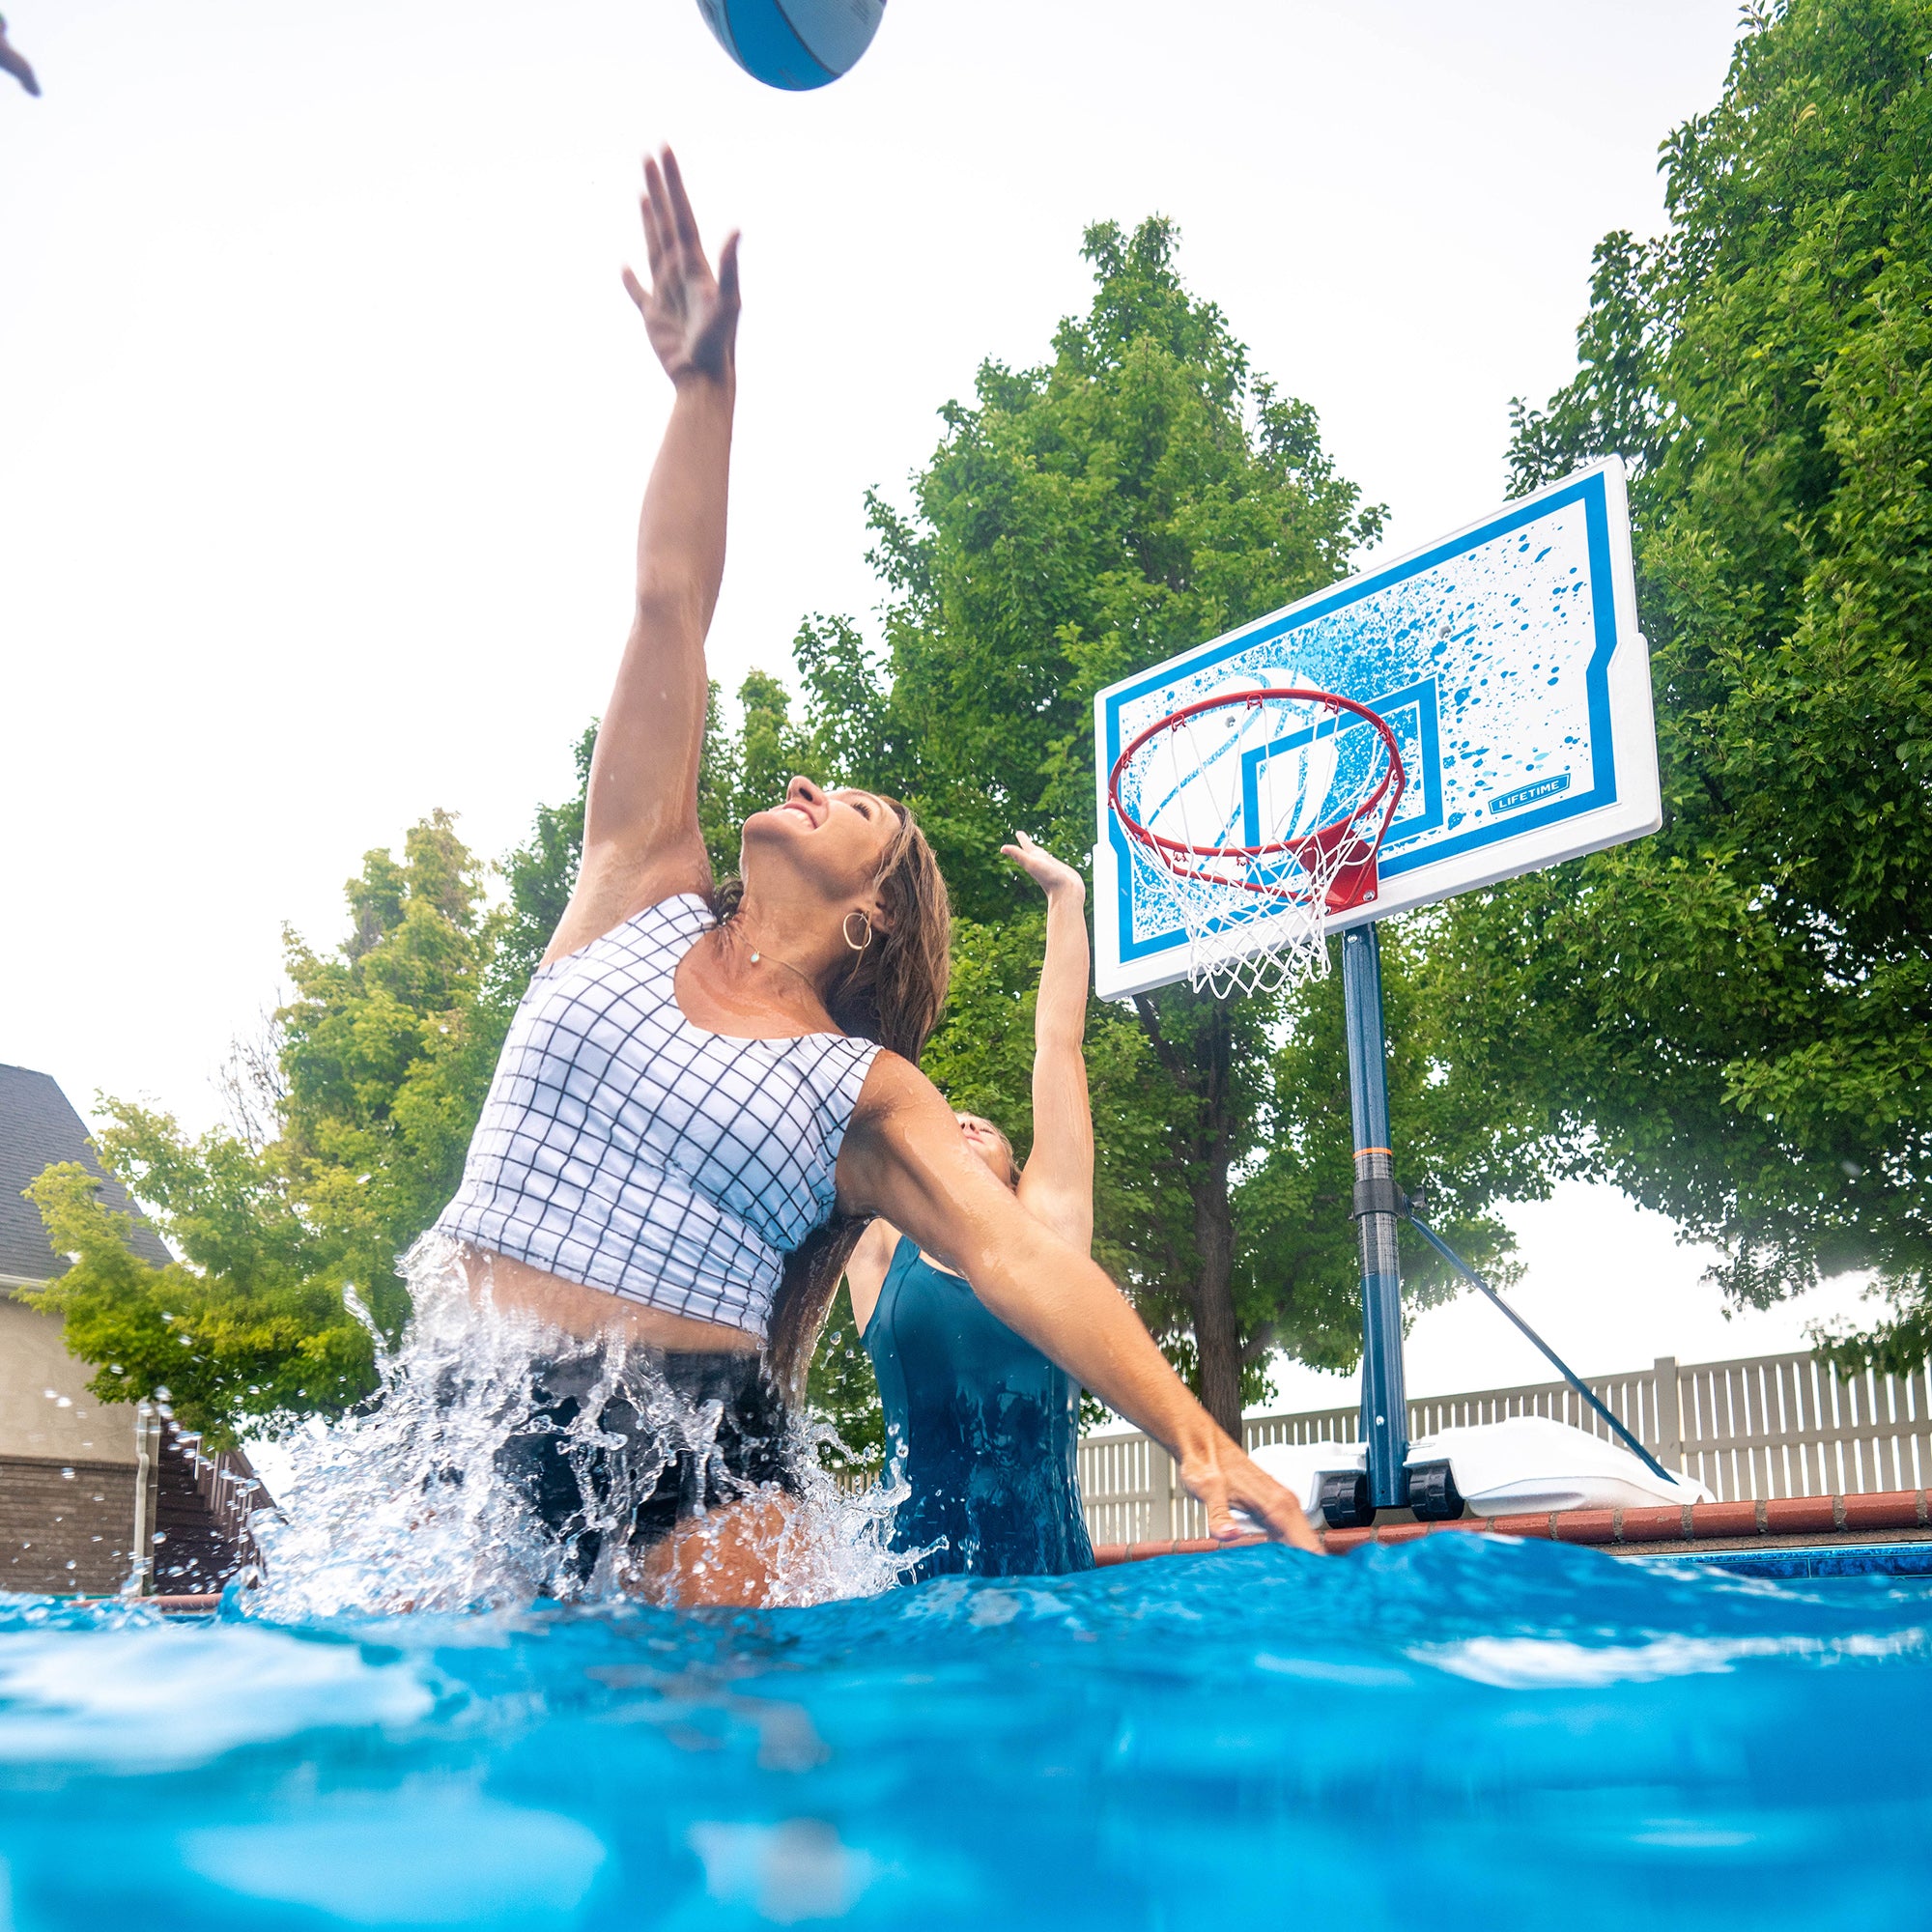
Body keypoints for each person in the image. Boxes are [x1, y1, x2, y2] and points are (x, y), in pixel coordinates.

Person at [432, 147, 1321, 1606]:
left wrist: (1194, 1437)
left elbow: (1028, 1266)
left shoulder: (862, 1095)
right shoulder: (634, 882)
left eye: (848, 803)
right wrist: (701, 391)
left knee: (772, 1815)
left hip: (696, 1456)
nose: (799, 785)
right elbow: (671, 603)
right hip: (474, 1404)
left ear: (873, 908)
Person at [846, 832, 1098, 1579]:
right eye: (950, 1122)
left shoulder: (1049, 1231)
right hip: (905, 1585)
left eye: (984, 1130)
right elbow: (849, 1076)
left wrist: (1067, 901)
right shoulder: (881, 1252)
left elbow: (1059, 1046)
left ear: (1020, 1175)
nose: (962, 1122)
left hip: (1047, 1577)